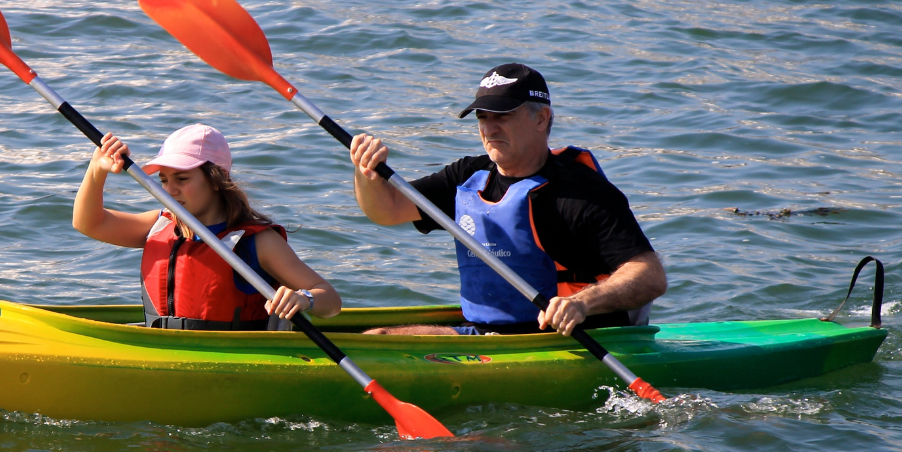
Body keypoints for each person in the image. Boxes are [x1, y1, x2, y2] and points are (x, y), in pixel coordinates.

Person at [349, 63, 666, 336]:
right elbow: (387, 210)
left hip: (568, 338)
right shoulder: (468, 176)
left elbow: (649, 276)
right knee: (378, 335)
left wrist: (582, 303)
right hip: (489, 334)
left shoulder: (582, 192)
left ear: (541, 118)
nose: (489, 128)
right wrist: (366, 174)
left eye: (502, 115)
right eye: (482, 118)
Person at [73, 123, 341, 330]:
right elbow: (88, 223)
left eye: (182, 178)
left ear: (216, 178)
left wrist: (305, 298)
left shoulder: (258, 242)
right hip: (164, 348)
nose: (171, 190)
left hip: (231, 360)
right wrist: (97, 169)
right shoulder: (157, 225)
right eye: (164, 180)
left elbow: (331, 301)